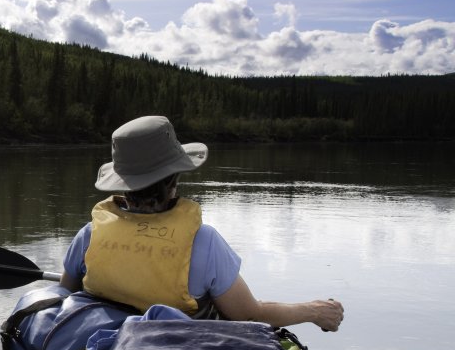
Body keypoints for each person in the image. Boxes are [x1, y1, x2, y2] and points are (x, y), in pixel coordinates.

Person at [59, 115, 344, 331]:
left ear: (122, 184)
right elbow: (248, 315)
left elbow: (67, 296)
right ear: (174, 178)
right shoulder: (203, 242)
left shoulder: (89, 235)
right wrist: (313, 311)